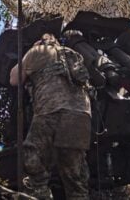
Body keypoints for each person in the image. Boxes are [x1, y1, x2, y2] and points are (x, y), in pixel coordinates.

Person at [10, 33, 91, 200]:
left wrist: (27, 55)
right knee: (75, 176)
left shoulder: (38, 50)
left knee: (34, 161)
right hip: (80, 115)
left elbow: (14, 79)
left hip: (51, 111)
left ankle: (41, 195)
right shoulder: (73, 54)